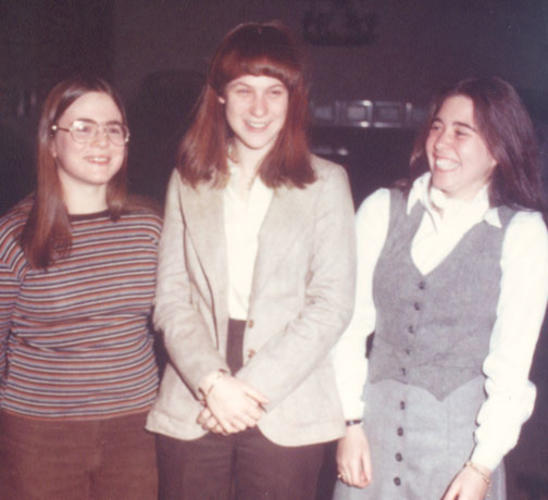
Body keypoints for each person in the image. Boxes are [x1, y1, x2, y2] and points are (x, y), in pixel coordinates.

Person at [146, 21, 356, 500]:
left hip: (289, 387)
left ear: (293, 99)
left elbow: (331, 305)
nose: (258, 109)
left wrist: (248, 388)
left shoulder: (327, 184)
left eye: (274, 92)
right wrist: (213, 383)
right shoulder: (188, 180)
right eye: (243, 90)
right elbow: (172, 300)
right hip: (196, 385)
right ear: (220, 96)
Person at [333, 76, 548, 500]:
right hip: (368, 445)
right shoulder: (382, 209)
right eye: (437, 126)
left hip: (458, 456)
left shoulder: (522, 233)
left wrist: (481, 466)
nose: (441, 141)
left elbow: (511, 366)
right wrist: (349, 425)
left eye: (461, 131)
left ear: (498, 150)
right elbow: (347, 326)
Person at [0, 76, 161, 499]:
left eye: (113, 129)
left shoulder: (150, 228)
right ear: (51, 142)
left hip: (136, 429)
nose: (101, 141)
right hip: (40, 434)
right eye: (83, 127)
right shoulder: (16, 234)